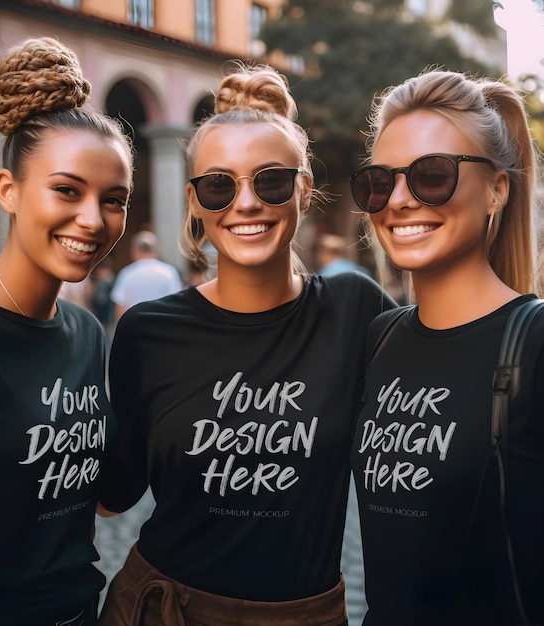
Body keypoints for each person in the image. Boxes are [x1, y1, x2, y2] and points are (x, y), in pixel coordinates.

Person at [97, 62, 395, 626]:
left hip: (305, 614)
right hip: (160, 607)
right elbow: (116, 490)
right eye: (219, 184)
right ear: (194, 201)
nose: (246, 203)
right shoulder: (148, 330)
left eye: (271, 180)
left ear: (304, 190)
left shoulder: (354, 307)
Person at [0, 36, 134, 625]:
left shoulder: (86, 332)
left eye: (113, 200)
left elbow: (107, 500)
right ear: (8, 190)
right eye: (67, 189)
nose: (92, 219)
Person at [349, 69, 544, 625]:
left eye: (432, 175)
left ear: (498, 188)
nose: (401, 201)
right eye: (380, 182)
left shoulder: (534, 342)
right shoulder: (379, 340)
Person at [109, 229, 182, 321]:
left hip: (135, 327)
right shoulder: (169, 272)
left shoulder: (127, 273)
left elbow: (121, 306)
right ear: (155, 250)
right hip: (162, 326)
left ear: (134, 250)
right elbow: (176, 303)